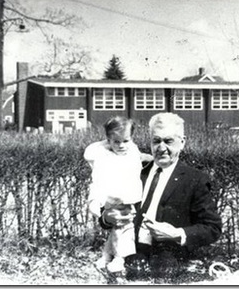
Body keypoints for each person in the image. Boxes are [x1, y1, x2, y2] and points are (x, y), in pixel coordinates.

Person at [101, 112, 222, 281]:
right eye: (156, 141)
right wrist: (107, 217)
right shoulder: (134, 170)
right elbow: (107, 209)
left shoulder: (195, 180)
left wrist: (177, 233)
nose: (162, 147)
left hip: (168, 256)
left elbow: (213, 228)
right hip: (129, 251)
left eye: (169, 141)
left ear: (182, 142)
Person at [84, 116, 152, 273]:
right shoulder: (105, 155)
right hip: (111, 197)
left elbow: (140, 156)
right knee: (123, 225)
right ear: (108, 140)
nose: (121, 145)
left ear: (131, 139)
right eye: (116, 141)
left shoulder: (132, 150)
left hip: (129, 196)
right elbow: (90, 158)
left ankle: (107, 255)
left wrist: (152, 159)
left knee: (119, 227)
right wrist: (106, 143)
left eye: (125, 141)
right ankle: (123, 257)